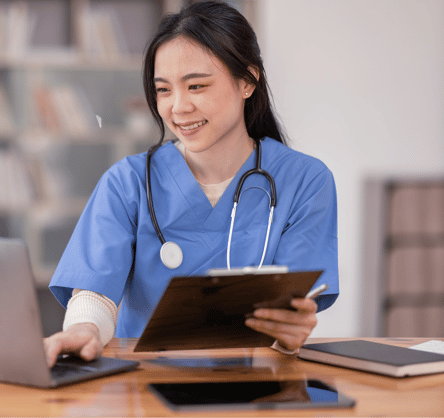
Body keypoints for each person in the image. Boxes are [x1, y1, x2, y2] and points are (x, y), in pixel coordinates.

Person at [44, 0, 338, 366]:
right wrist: (83, 330)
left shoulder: (305, 182)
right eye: (163, 90)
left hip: (259, 389)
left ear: (247, 80)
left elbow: (291, 312)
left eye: (196, 86)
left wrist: (288, 337)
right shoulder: (128, 182)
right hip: (147, 385)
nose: (177, 107)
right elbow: (95, 295)